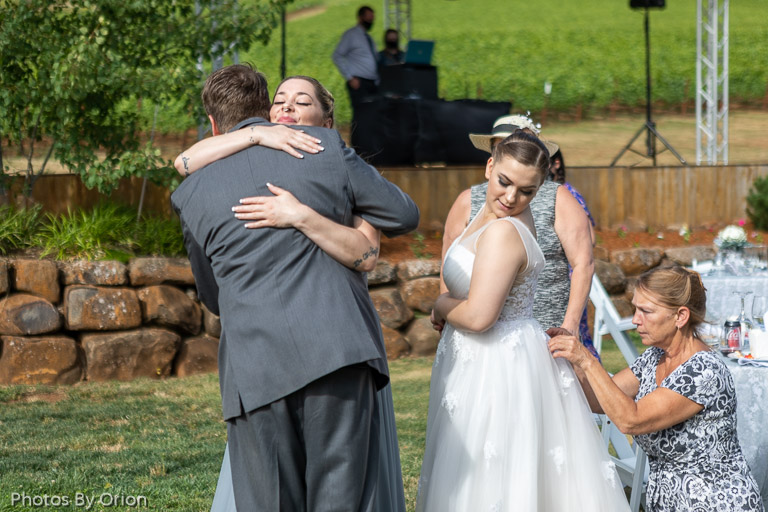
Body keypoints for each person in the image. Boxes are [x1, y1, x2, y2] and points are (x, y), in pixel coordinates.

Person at [171, 64, 419, 511]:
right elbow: (403, 215)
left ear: (213, 124)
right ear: (266, 109)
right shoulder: (327, 151)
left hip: (256, 365)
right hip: (336, 352)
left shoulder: (191, 192)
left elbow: (212, 295)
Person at [416, 131, 629, 511]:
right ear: (489, 167)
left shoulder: (504, 229)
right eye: (504, 182)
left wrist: (442, 305)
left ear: (539, 189)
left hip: (496, 364)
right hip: (474, 357)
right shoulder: (486, 213)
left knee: (491, 473)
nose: (511, 197)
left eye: (527, 191)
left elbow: (480, 317)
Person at [549, 266, 765, 512]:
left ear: (680, 316)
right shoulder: (654, 357)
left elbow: (631, 420)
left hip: (715, 503)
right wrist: (570, 360)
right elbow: (599, 400)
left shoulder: (704, 371)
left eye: (646, 311)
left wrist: (587, 360)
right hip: (669, 502)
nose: (635, 320)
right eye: (635, 309)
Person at [441, 114, 598, 358]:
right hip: (469, 334)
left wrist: (570, 323)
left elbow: (583, 263)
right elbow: (449, 259)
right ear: (493, 158)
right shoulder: (468, 201)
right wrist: (445, 308)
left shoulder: (558, 198)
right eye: (506, 144)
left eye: (524, 145)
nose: (519, 151)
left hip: (543, 332)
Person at [332, 6, 379, 110]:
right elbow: (337, 55)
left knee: (372, 113)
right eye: (368, 17)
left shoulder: (369, 38)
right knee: (362, 113)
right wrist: (350, 78)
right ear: (360, 18)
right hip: (359, 82)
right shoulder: (351, 34)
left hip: (372, 82)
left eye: (372, 18)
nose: (371, 21)